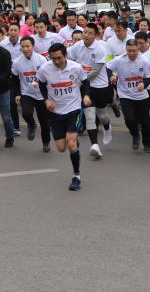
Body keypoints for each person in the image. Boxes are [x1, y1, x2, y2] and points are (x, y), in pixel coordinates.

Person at [37, 43, 90, 191]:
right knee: (61, 148)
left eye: (59, 58)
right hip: (55, 112)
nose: (56, 61)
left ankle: (76, 176)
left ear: (65, 55)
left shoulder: (76, 68)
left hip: (73, 109)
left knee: (71, 144)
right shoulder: (45, 69)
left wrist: (86, 95)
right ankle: (73, 140)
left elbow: (86, 82)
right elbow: (41, 84)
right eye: (53, 58)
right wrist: (46, 100)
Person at [67, 24, 110, 157]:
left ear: (96, 35)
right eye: (85, 32)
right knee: (90, 116)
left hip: (99, 85)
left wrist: (80, 79)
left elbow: (95, 71)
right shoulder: (77, 45)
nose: (86, 35)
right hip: (85, 87)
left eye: (90, 33)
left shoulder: (100, 48)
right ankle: (95, 145)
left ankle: (107, 127)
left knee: (102, 115)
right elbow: (69, 58)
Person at [109, 40, 150, 153]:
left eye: (134, 51)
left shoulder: (144, 60)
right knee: (129, 119)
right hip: (125, 95)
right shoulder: (119, 60)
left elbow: (148, 77)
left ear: (138, 49)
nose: (132, 53)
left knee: (145, 122)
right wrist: (111, 76)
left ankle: (147, 144)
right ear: (126, 50)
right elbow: (108, 68)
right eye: (129, 51)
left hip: (141, 96)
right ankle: (135, 134)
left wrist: (144, 84)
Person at [11, 34, 50, 152]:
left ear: (33, 46)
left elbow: (48, 76)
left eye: (28, 46)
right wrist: (17, 94)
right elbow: (14, 79)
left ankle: (46, 142)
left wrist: (41, 85)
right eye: (23, 47)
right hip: (26, 93)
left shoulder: (41, 59)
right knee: (26, 113)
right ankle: (31, 124)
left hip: (41, 94)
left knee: (44, 121)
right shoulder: (17, 62)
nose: (25, 49)